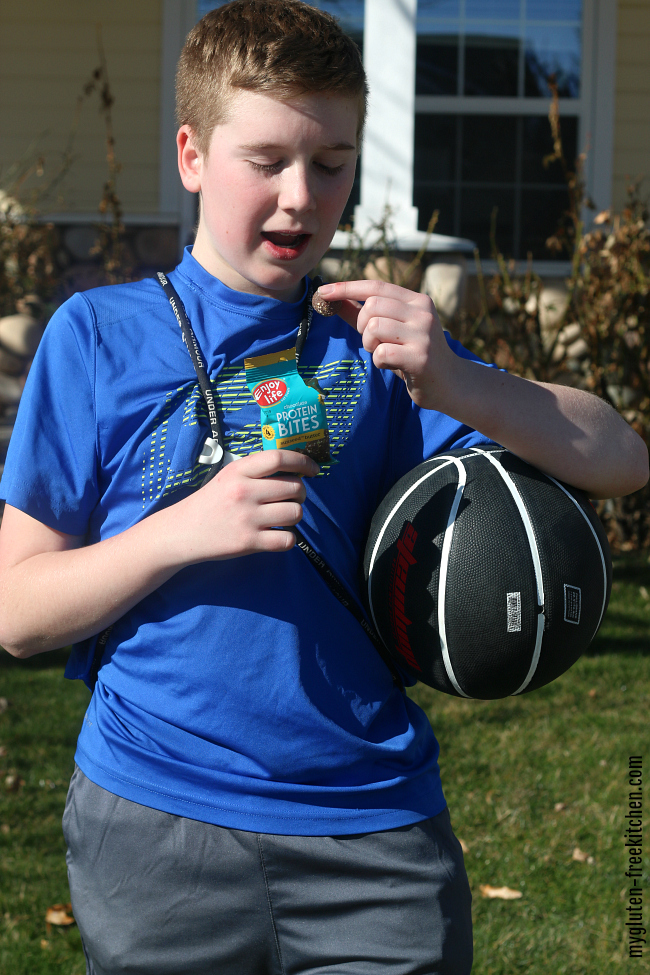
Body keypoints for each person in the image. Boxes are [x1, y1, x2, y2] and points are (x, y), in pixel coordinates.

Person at [0, 2, 646, 973]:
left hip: (371, 832)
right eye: (265, 161)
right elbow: (16, 611)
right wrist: (181, 532)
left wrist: (458, 380)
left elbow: (618, 458)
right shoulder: (96, 340)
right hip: (154, 824)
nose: (301, 197)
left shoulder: (365, 349)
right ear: (189, 155)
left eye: (331, 163)